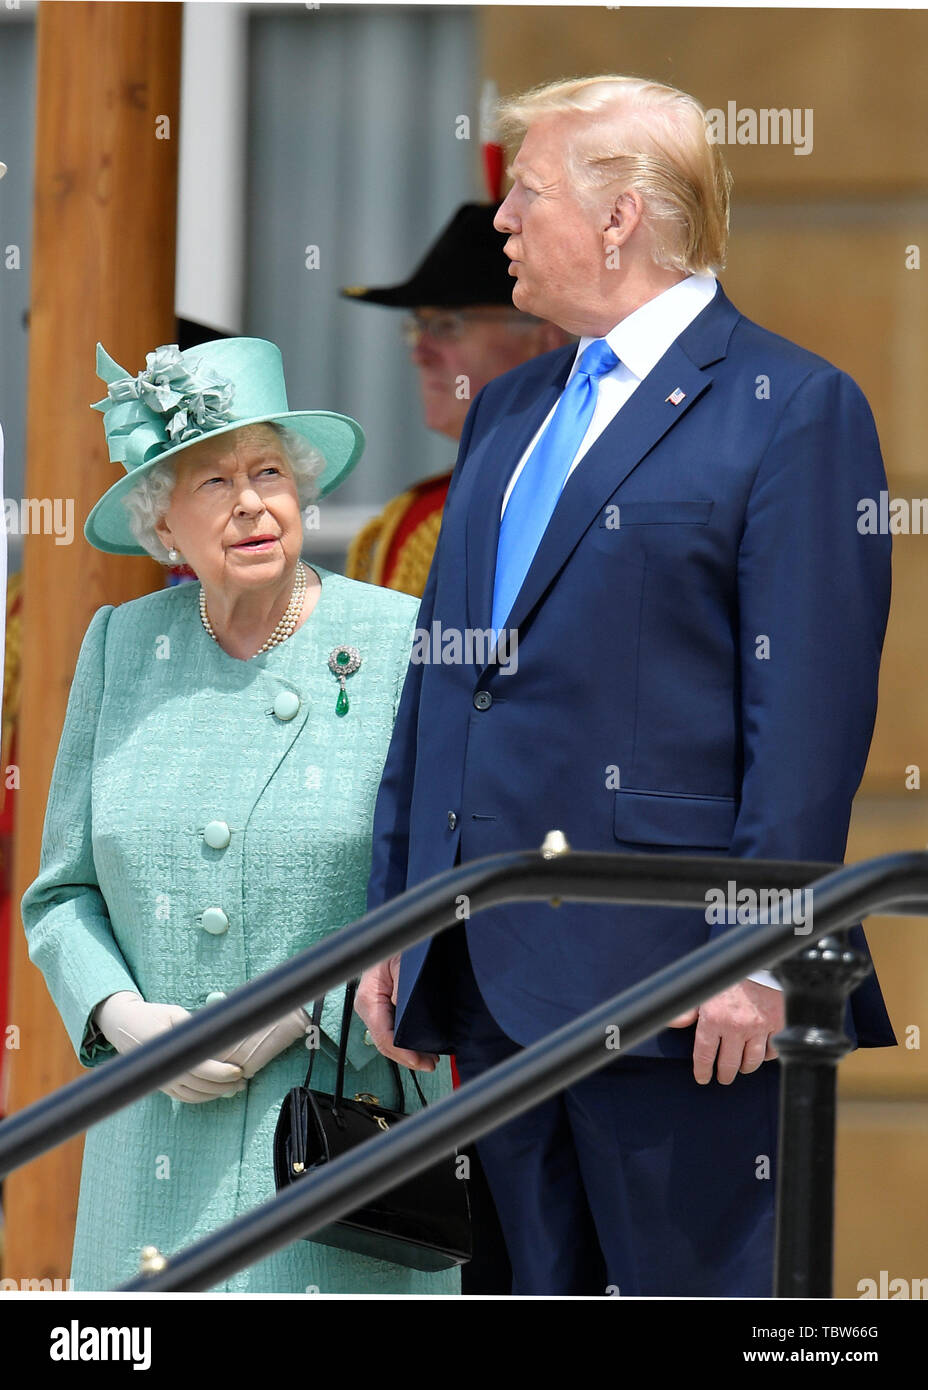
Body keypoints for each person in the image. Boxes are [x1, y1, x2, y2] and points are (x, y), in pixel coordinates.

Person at [356, 75, 896, 1297]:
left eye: (525, 194)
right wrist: (394, 916)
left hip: (675, 989)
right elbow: (440, 691)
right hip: (484, 975)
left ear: (620, 217)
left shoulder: (792, 408)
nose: (500, 220)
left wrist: (758, 954)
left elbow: (806, 716)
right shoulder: (507, 410)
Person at [20, 336, 458, 1294]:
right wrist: (120, 1018)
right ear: (162, 524)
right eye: (213, 481)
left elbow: (441, 883)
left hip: (338, 1136)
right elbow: (61, 896)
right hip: (151, 1148)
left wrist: (304, 1011)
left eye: (269, 470)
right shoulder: (120, 645)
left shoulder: (398, 641)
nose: (253, 501)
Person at [342, 203, 568, 596]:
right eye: (418, 327)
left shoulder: (585, 486)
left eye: (446, 326)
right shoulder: (425, 512)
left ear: (545, 340)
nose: (420, 352)